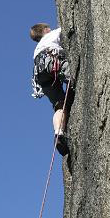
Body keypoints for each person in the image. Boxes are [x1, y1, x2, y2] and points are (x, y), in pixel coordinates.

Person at [30, 23, 72, 156]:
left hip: (39, 72)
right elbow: (65, 29)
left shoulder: (37, 47)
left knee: (59, 105)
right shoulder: (52, 34)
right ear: (45, 30)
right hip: (51, 59)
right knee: (72, 78)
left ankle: (59, 133)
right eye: (48, 27)